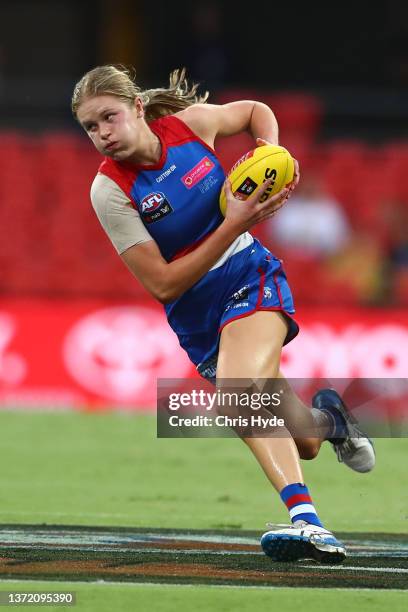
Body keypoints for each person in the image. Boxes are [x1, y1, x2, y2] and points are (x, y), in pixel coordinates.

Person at [71, 65, 375, 564]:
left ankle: (308, 523)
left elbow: (256, 112)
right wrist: (232, 219)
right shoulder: (109, 191)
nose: (103, 133)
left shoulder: (190, 126)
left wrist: (273, 154)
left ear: (138, 109)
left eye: (110, 117)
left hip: (248, 274)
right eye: (90, 127)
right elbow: (163, 283)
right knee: (304, 439)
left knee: (237, 395)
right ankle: (331, 419)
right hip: (195, 315)